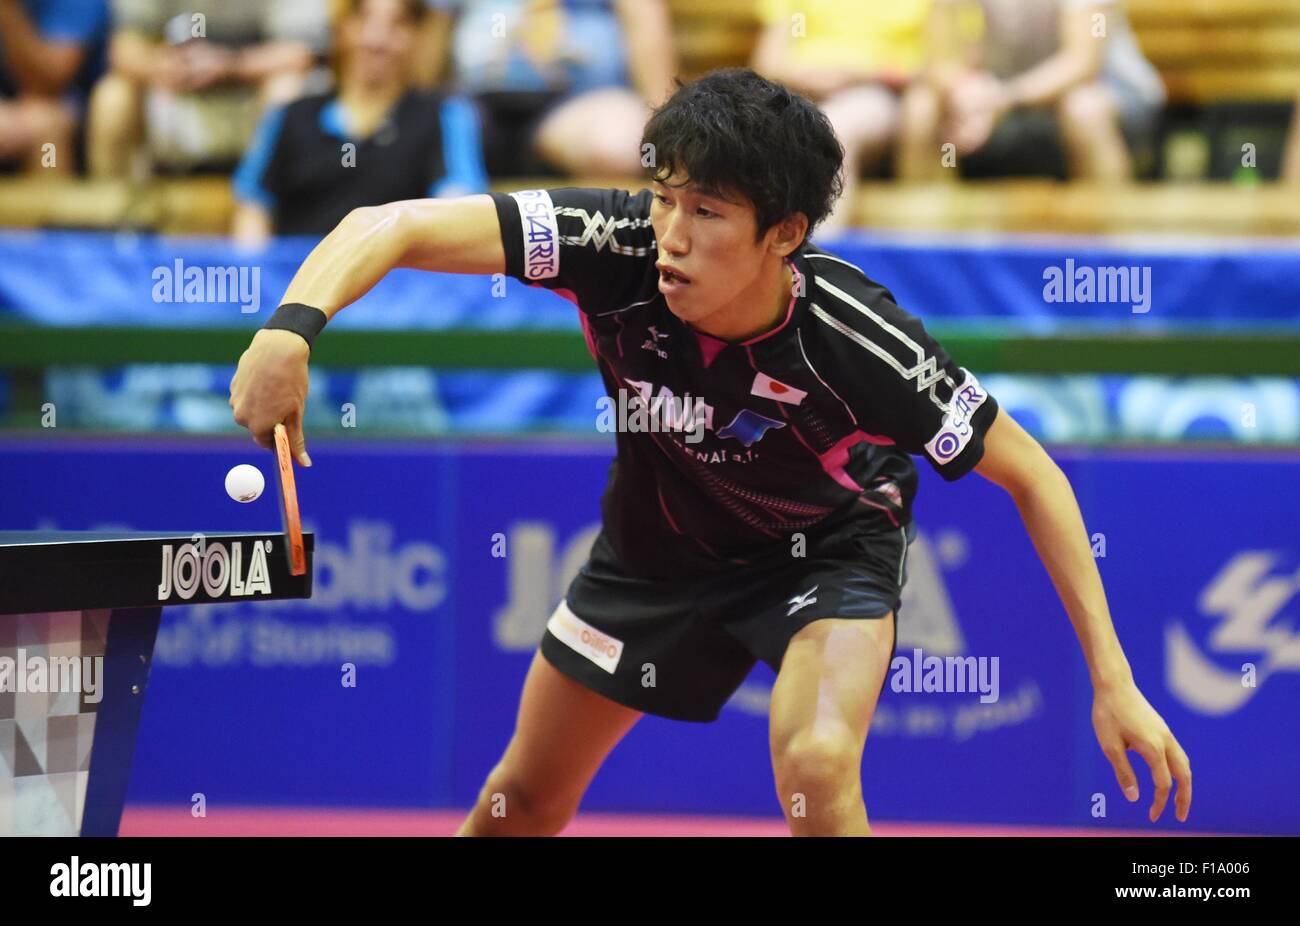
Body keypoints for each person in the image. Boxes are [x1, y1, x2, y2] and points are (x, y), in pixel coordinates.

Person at [229, 68, 1192, 836]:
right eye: (665, 201)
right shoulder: (613, 244)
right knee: (520, 802)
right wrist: (290, 329)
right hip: (655, 551)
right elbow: (390, 224)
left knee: (817, 764)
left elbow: (1032, 473)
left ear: (786, 234)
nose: (671, 238)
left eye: (708, 214)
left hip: (824, 553)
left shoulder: (857, 342)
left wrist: (1113, 679)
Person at [231, 0, 487, 247]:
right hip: (296, 273)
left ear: (417, 35)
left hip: (401, 274)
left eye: (397, 24)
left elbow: (456, 210)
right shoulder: (291, 114)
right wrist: (258, 269)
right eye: (364, 19)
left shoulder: (445, 115)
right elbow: (253, 209)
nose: (377, 40)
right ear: (343, 27)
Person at [899, 0, 1165, 181]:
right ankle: (925, 243)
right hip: (1001, 95)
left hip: (1108, 93)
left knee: (1084, 108)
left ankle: (1109, 243)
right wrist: (964, 91)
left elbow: (1083, 63)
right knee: (921, 106)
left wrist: (1002, 98)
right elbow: (939, 58)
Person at [431, 0, 675, 177]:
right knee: (429, 138)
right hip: (474, 105)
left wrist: (663, 128)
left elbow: (644, 21)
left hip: (579, 102)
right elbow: (429, 32)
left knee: (615, 146)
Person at [87, 0, 329, 178]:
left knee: (286, 88)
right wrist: (161, 66)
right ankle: (118, 221)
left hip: (248, 99)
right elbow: (122, 48)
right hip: (173, 98)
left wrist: (230, 65)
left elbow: (304, 52)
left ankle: (263, 207)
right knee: (113, 96)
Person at [751, 0, 933, 230]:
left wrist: (856, 74)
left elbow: (938, 68)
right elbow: (768, 64)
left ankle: (820, 248)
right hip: (797, 94)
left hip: (879, 95)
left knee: (832, 130)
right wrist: (806, 77)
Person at [0, 0, 109, 175]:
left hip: (63, 106)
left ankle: (47, 193)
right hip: (9, 108)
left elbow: (48, 83)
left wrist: (7, 11)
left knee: (47, 135)